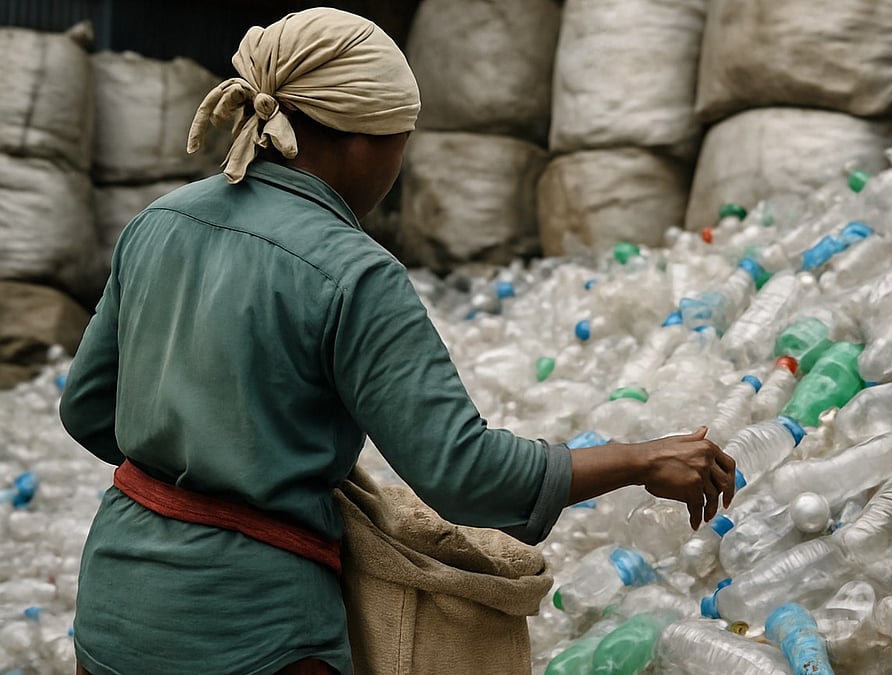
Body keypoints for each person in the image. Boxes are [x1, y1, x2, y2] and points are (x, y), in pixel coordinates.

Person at [58, 8, 736, 674]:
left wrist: (194, 458)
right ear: (360, 139)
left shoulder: (158, 223)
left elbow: (88, 408)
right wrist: (638, 459)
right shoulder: (351, 271)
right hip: (251, 630)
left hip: (114, 608)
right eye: (400, 138)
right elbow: (467, 476)